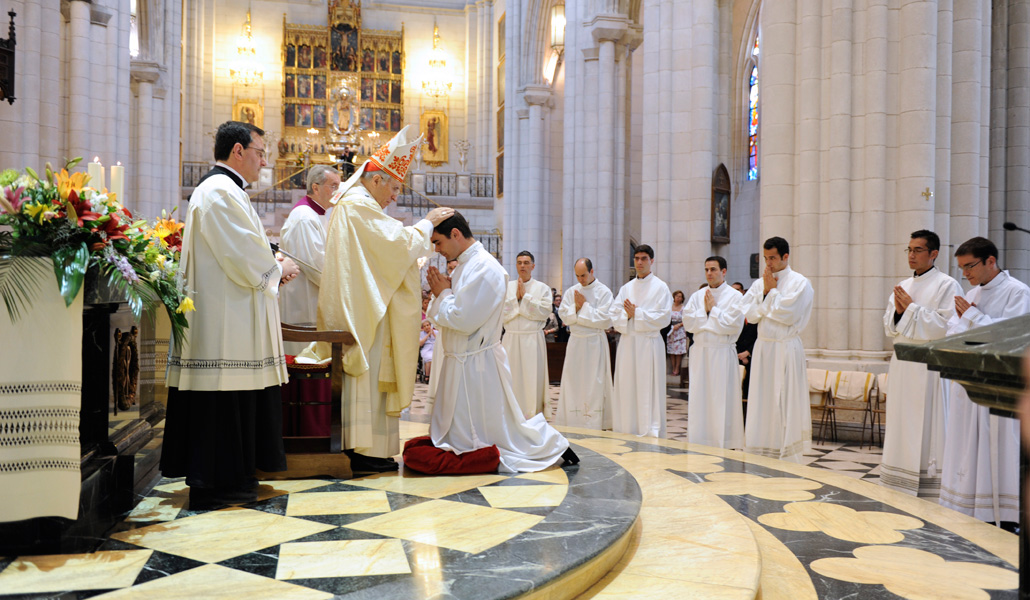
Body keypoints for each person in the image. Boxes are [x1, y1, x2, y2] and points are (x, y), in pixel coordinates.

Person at [161, 121, 301, 509]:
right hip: (226, 321)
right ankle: (219, 480)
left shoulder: (224, 191)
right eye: (260, 152)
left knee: (233, 397)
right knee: (224, 396)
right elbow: (241, 251)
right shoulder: (219, 192)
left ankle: (232, 475)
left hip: (234, 313)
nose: (264, 161)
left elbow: (244, 245)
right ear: (238, 151)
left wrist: (271, 267)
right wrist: (277, 269)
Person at [309, 125, 455, 472]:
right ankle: (364, 452)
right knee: (370, 380)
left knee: (374, 382)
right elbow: (395, 245)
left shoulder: (356, 204)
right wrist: (427, 223)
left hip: (366, 309)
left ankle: (372, 450)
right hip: (363, 316)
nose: (394, 197)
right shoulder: (358, 205)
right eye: (394, 187)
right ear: (377, 180)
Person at [425, 212, 577, 472]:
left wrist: (443, 293)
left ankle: (552, 444)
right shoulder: (465, 265)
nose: (437, 250)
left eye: (438, 242)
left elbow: (463, 319)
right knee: (476, 430)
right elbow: (451, 314)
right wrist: (445, 295)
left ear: (455, 234)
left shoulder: (485, 267)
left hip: (476, 361)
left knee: (500, 433)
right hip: (463, 358)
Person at [940, 237, 1030, 525]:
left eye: (970, 266)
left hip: (999, 387)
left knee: (998, 447)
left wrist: (972, 316)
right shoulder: (973, 293)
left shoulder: (1018, 292)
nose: (965, 274)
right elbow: (955, 330)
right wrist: (966, 319)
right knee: (968, 449)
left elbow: (1011, 338)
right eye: (961, 268)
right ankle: (969, 508)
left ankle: (1002, 515)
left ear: (991, 261)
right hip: (970, 383)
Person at [879, 230, 962, 499]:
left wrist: (911, 310)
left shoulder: (947, 285)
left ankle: (928, 486)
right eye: (909, 250)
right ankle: (897, 479)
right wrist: (901, 313)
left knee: (926, 423)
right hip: (903, 365)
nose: (912, 255)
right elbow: (889, 327)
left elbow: (947, 328)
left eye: (918, 250)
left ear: (934, 254)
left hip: (928, 367)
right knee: (901, 421)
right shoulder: (902, 286)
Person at [739, 237, 814, 462]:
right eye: (766, 258)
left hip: (785, 348)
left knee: (784, 401)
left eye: (773, 258)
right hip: (763, 348)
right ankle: (760, 450)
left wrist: (770, 295)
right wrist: (768, 297)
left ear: (785, 257)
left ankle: (787, 455)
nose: (768, 263)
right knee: (762, 400)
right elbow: (749, 313)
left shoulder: (800, 282)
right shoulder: (759, 283)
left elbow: (788, 315)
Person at [682, 256, 746, 449]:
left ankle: (722, 441)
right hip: (700, 353)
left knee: (721, 399)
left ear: (723, 271)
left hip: (721, 352)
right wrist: (708, 314)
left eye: (713, 269)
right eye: (706, 270)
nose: (709, 273)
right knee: (699, 398)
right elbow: (689, 323)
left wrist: (713, 312)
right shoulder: (697, 295)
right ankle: (700, 439)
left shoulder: (735, 296)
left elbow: (732, 325)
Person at [610, 245, 673, 437]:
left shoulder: (661, 287)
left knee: (648, 387)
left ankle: (649, 429)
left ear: (651, 261)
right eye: (636, 258)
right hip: (629, 343)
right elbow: (614, 313)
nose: (639, 262)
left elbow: (664, 318)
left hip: (649, 344)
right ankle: (626, 427)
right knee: (627, 385)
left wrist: (635, 313)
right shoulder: (626, 288)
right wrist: (628, 316)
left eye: (643, 258)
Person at [279, 165, 341, 350]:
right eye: (333, 186)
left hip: (313, 303)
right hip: (304, 307)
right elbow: (318, 267)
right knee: (305, 366)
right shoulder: (305, 218)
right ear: (316, 188)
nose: (338, 191)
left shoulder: (318, 215)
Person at [555, 258, 615, 430]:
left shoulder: (604, 292)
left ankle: (593, 422)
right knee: (574, 381)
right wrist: (579, 311)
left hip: (595, 343)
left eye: (583, 275)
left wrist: (583, 307)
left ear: (592, 272)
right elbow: (565, 317)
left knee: (594, 383)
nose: (580, 280)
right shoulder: (572, 291)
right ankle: (573, 421)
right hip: (576, 342)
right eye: (577, 276)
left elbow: (606, 320)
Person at [502, 250, 552, 418]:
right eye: (519, 262)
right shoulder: (507, 287)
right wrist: (515, 299)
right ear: (516, 265)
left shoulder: (542, 288)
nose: (522, 266)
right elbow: (500, 312)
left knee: (532, 379)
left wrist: (526, 298)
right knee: (510, 378)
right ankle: (510, 415)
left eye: (526, 262)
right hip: (511, 338)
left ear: (533, 266)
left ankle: (532, 416)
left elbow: (545, 312)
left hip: (532, 338)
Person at [732, 281, 758, 401]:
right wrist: (739, 354)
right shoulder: (732, 311)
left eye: (738, 290)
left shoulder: (755, 312)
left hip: (752, 354)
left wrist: (747, 353)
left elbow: (759, 335)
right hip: (734, 353)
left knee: (748, 386)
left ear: (742, 292)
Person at [666, 290, 687, 376]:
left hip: (679, 330)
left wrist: (679, 325)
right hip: (671, 330)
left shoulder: (683, 308)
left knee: (678, 352)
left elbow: (686, 319)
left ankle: (677, 368)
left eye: (680, 297)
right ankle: (673, 367)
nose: (678, 298)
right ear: (674, 297)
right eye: (677, 296)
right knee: (671, 351)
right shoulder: (669, 307)